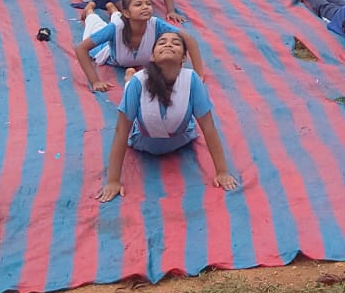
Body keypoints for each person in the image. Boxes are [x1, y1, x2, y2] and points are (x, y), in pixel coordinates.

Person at [96, 31, 238, 200]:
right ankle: (128, 80)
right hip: (142, 140)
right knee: (133, 89)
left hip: (181, 138)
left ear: (184, 58)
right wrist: (113, 181)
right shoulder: (139, 82)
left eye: (176, 43)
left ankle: (128, 80)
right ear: (152, 56)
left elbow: (208, 127)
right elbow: (121, 130)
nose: (168, 44)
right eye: (162, 42)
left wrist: (222, 172)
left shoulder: (192, 80)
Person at [76, 0, 205, 90]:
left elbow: (189, 40)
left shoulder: (156, 24)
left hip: (123, 21)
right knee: (95, 24)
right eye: (138, 4)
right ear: (127, 13)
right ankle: (90, 11)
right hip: (107, 48)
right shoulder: (116, 28)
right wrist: (95, 82)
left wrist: (199, 74)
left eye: (148, 4)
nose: (145, 7)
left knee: (117, 21)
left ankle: (113, 10)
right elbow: (81, 48)